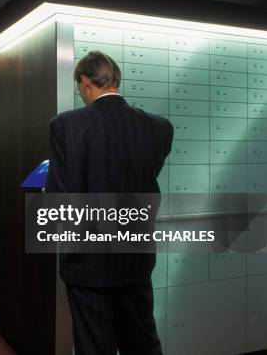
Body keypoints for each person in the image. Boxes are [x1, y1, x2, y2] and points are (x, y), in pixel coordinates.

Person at [45, 51, 173, 355]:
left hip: (87, 261)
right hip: (135, 255)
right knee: (141, 340)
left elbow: (59, 197)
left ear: (86, 81)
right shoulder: (159, 127)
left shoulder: (65, 125)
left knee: (94, 345)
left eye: (80, 87)